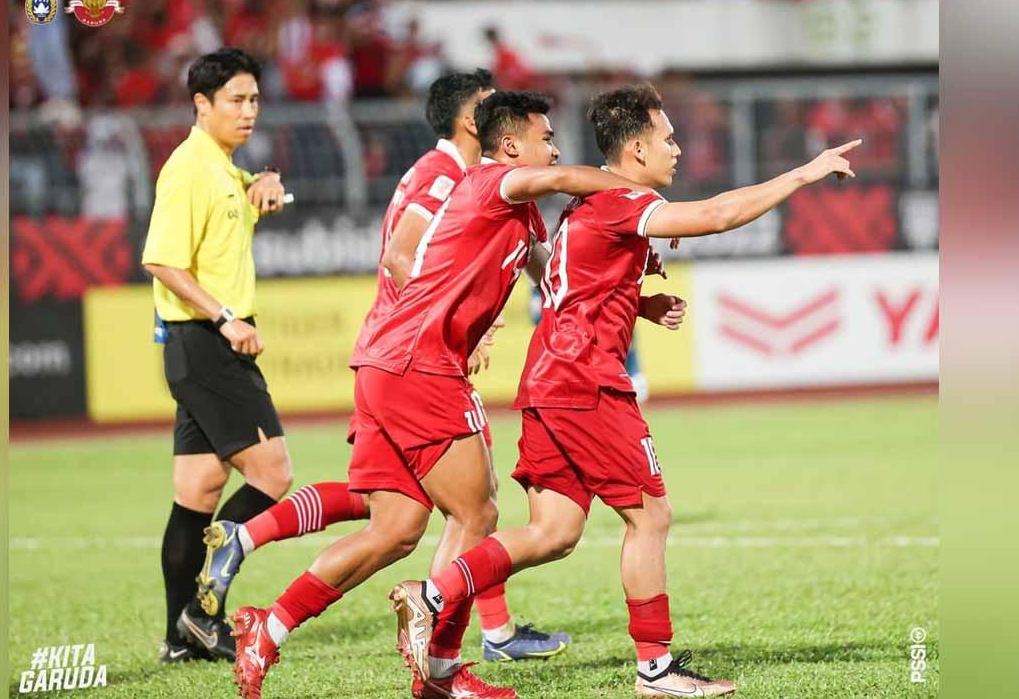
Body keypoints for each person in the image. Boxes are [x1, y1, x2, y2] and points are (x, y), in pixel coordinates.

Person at [391, 84, 862, 698]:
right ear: (636, 148)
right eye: (667, 138)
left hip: (547, 381)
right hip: (585, 383)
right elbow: (716, 216)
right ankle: (656, 669)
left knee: (554, 533)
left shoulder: (584, 211)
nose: (677, 148)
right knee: (651, 515)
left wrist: (637, 301)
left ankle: (430, 595)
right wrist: (804, 173)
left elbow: (570, 289)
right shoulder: (619, 199)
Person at [229, 90, 646, 699]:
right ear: (511, 146)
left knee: (395, 528)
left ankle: (268, 627)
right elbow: (557, 177)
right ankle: (443, 670)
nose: (555, 145)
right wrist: (631, 192)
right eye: (545, 135)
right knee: (476, 512)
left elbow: (560, 277)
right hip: (419, 364)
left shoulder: (520, 213)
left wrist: (636, 294)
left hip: (386, 361)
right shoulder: (488, 182)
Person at [139, 47, 292, 664]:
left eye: (254, 99)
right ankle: (205, 615)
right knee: (273, 476)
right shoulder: (190, 169)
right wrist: (226, 317)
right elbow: (160, 259)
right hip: (208, 342)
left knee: (198, 491)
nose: (249, 110)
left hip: (198, 343)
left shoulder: (223, 167)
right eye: (236, 99)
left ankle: (180, 639)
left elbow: (229, 221)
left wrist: (265, 185)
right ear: (201, 106)